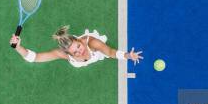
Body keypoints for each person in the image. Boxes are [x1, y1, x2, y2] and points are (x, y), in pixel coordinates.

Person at [9, 25, 143, 68]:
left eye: (78, 46)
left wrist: (127, 56)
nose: (80, 50)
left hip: (96, 53)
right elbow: (35, 57)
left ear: (80, 40)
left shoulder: (92, 43)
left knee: (105, 52)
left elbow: (111, 52)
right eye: (75, 52)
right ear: (69, 54)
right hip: (81, 59)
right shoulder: (63, 54)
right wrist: (18, 47)